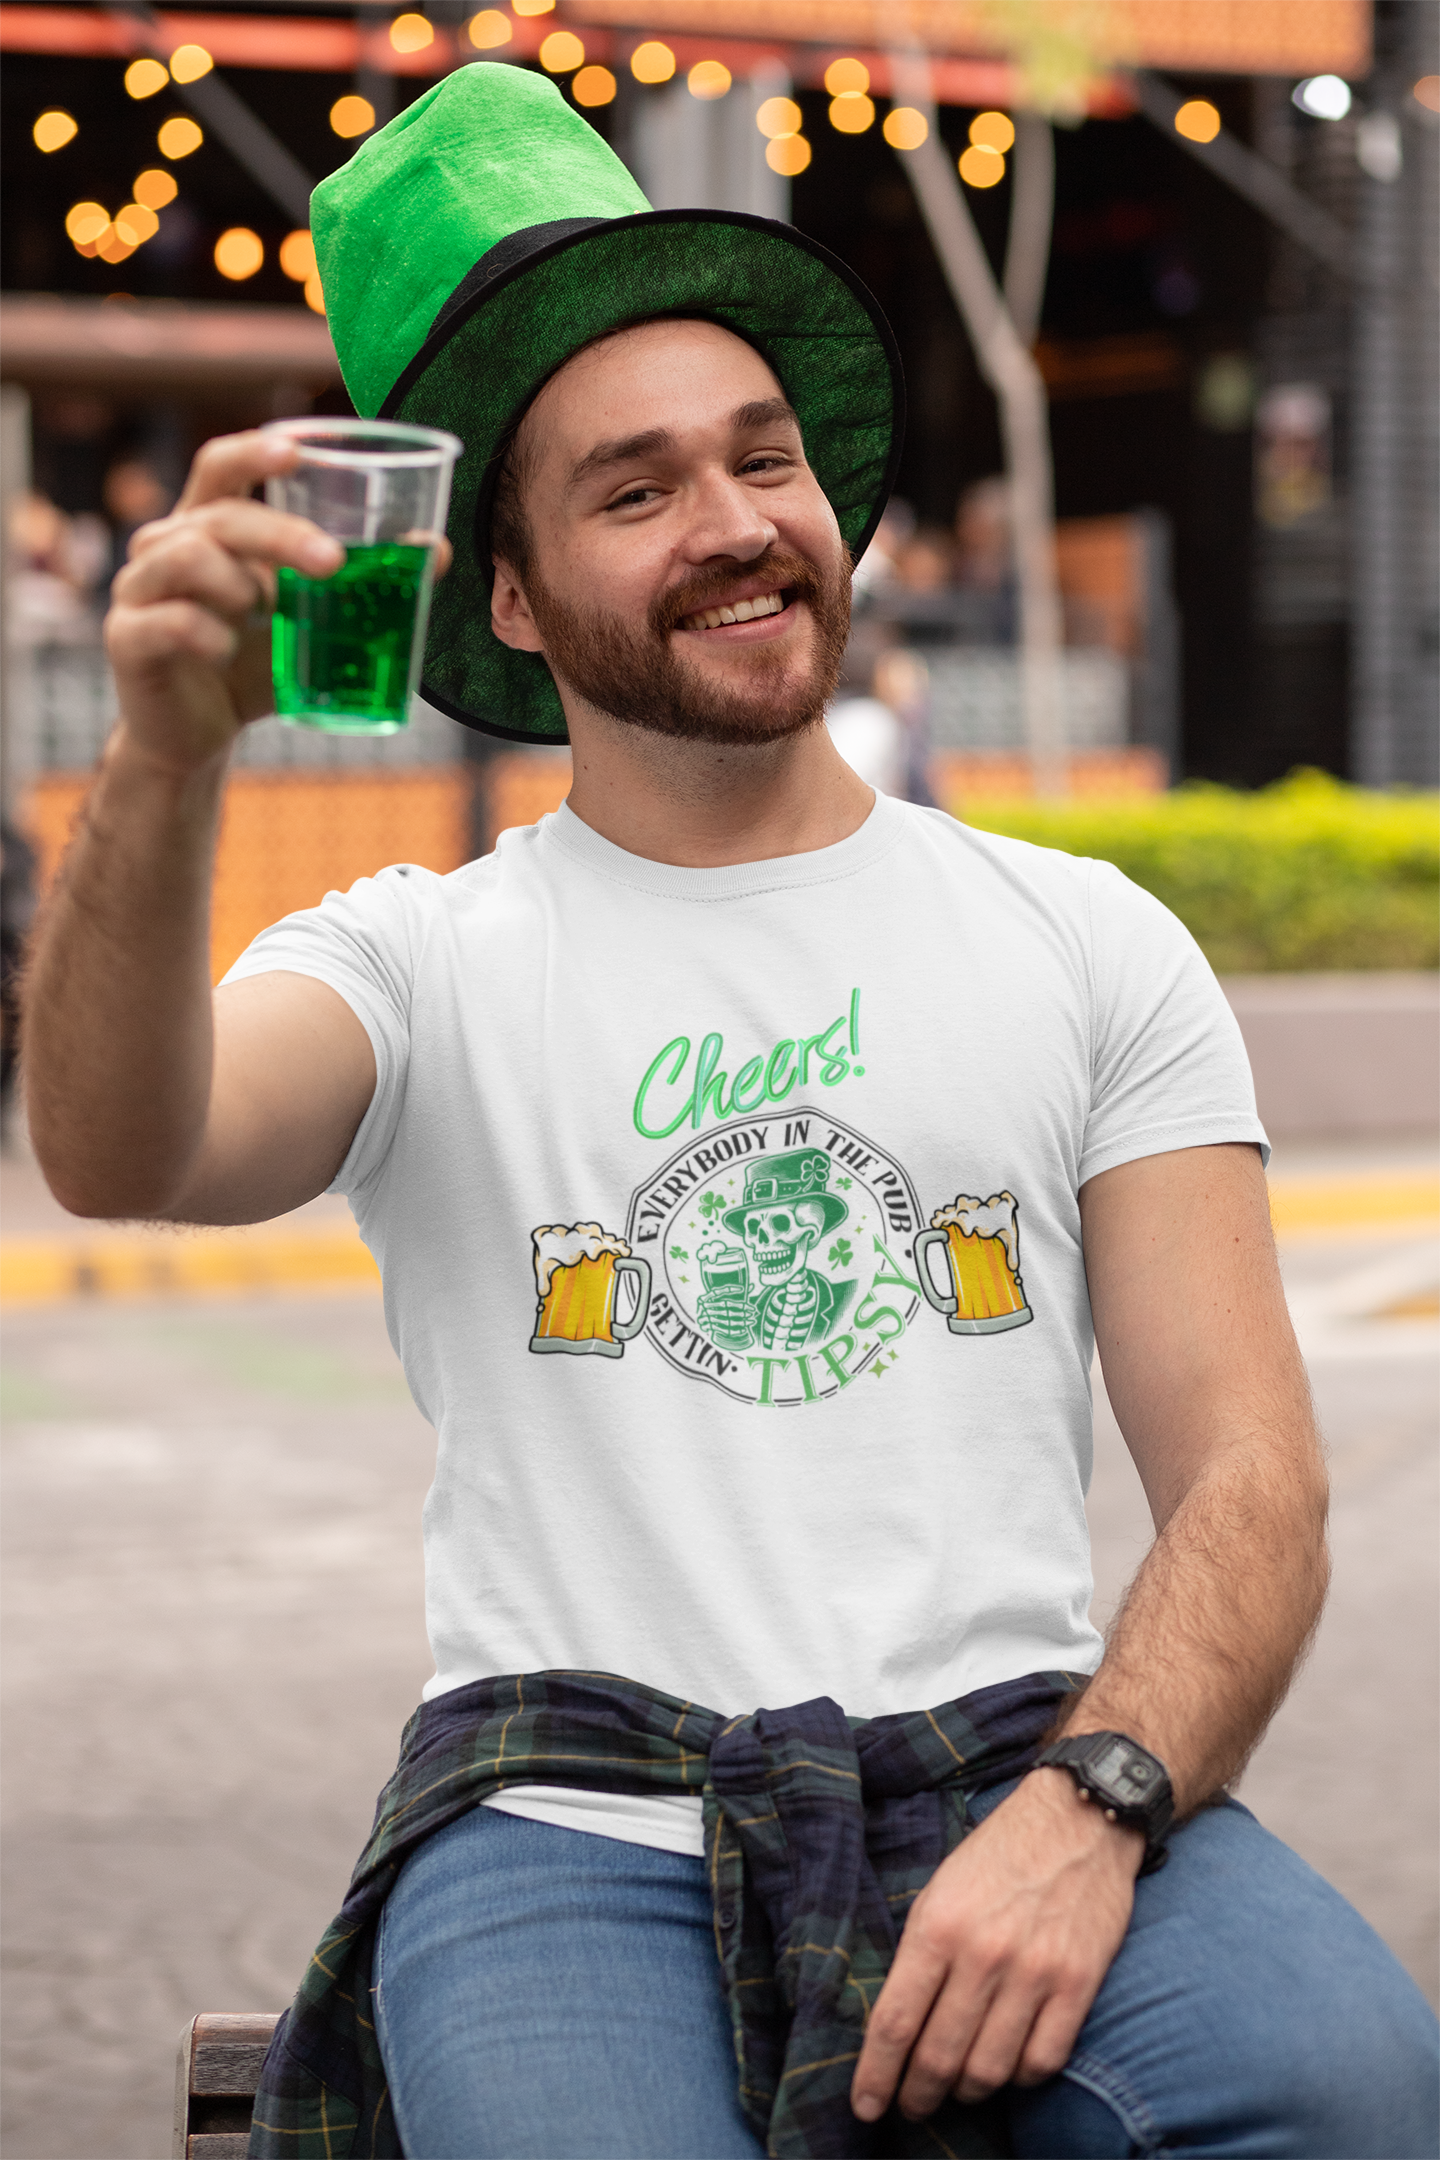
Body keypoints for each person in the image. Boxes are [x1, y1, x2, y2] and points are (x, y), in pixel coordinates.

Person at [24, 64, 1440, 2160]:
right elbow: (127, 1151)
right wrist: (160, 766)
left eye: (760, 456)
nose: (737, 522)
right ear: (505, 595)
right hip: (561, 1821)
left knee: (1352, 2090)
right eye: (635, 488)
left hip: (1015, 1763)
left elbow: (1251, 1480)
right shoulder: (418, 958)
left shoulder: (1086, 936)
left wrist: (1097, 1802)